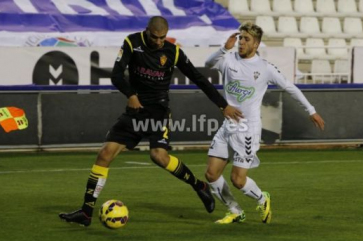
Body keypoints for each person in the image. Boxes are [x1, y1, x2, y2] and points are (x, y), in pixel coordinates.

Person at [59, 16, 243, 227]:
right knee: (104, 154)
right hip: (135, 110)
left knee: (158, 156)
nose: (158, 42)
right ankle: (86, 212)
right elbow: (117, 75)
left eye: (162, 37)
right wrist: (131, 94)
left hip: (158, 112)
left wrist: (222, 105)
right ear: (147, 31)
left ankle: (198, 186)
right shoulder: (132, 43)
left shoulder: (173, 52)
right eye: (155, 37)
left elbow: (198, 78)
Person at [204, 22, 325, 224]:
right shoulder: (228, 59)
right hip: (227, 125)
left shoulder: (265, 68)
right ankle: (234, 211)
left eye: (246, 39)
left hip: (247, 129)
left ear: (256, 44)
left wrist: (311, 110)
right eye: (240, 38)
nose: (241, 42)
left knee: (237, 180)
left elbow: (290, 87)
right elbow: (208, 64)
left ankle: (262, 198)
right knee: (211, 173)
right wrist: (224, 48)